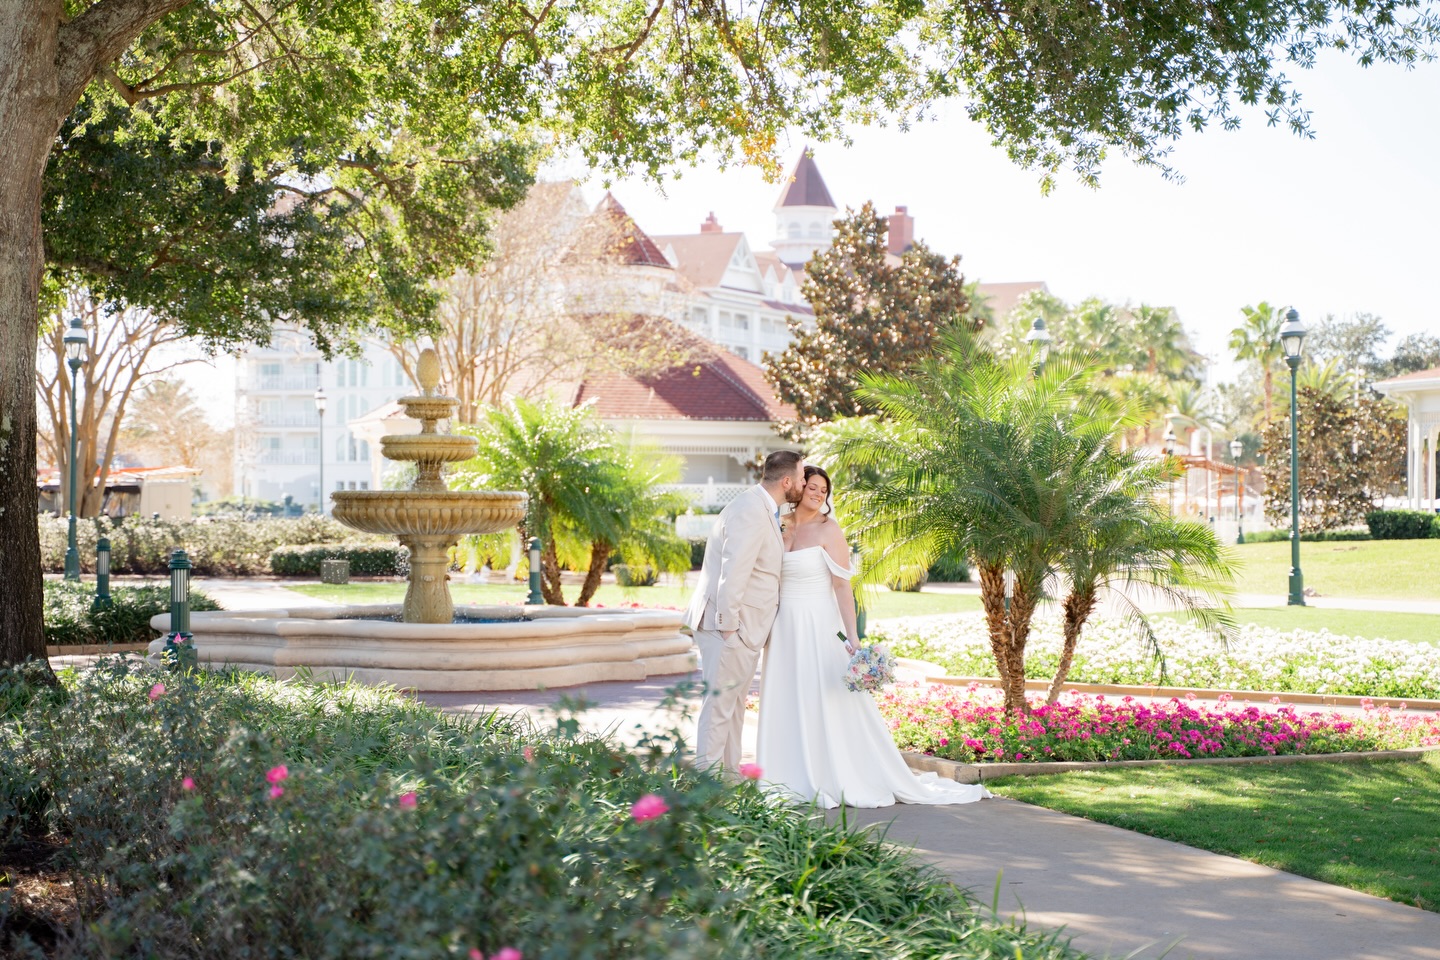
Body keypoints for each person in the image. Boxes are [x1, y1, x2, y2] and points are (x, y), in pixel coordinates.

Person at [756, 465, 990, 808]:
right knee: (787, 694)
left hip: (818, 624)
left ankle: (830, 773)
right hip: (783, 626)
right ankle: (783, 775)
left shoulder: (829, 530)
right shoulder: (779, 523)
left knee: (825, 698)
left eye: (824, 489)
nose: (819, 493)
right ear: (800, 486)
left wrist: (852, 637)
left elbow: (842, 585)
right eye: (813, 486)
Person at [684, 450, 806, 774]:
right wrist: (729, 627)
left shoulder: (762, 507)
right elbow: (734, 570)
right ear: (787, 481)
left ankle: (727, 780)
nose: (805, 484)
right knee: (720, 709)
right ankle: (705, 789)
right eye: (803, 477)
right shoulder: (751, 509)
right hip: (728, 628)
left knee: (734, 709)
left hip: (743, 630)